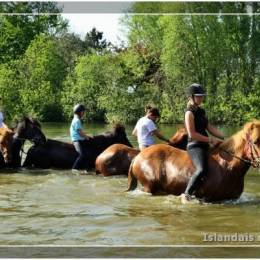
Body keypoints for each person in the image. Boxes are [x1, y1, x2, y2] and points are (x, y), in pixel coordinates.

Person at [180, 83, 224, 204]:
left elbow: (209, 127)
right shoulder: (189, 113)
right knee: (201, 169)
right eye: (198, 96)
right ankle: (187, 194)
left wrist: (226, 138)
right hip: (194, 146)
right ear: (191, 97)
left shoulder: (201, 111)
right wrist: (210, 140)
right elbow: (192, 134)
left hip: (205, 144)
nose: (201, 98)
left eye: (202, 96)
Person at [70, 104, 92, 173]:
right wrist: (86, 137)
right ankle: (74, 168)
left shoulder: (75, 119)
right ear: (81, 112)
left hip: (79, 139)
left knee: (88, 152)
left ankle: (87, 169)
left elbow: (80, 131)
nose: (84, 114)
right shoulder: (77, 121)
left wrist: (86, 136)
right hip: (77, 141)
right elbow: (80, 132)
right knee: (81, 154)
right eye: (83, 112)